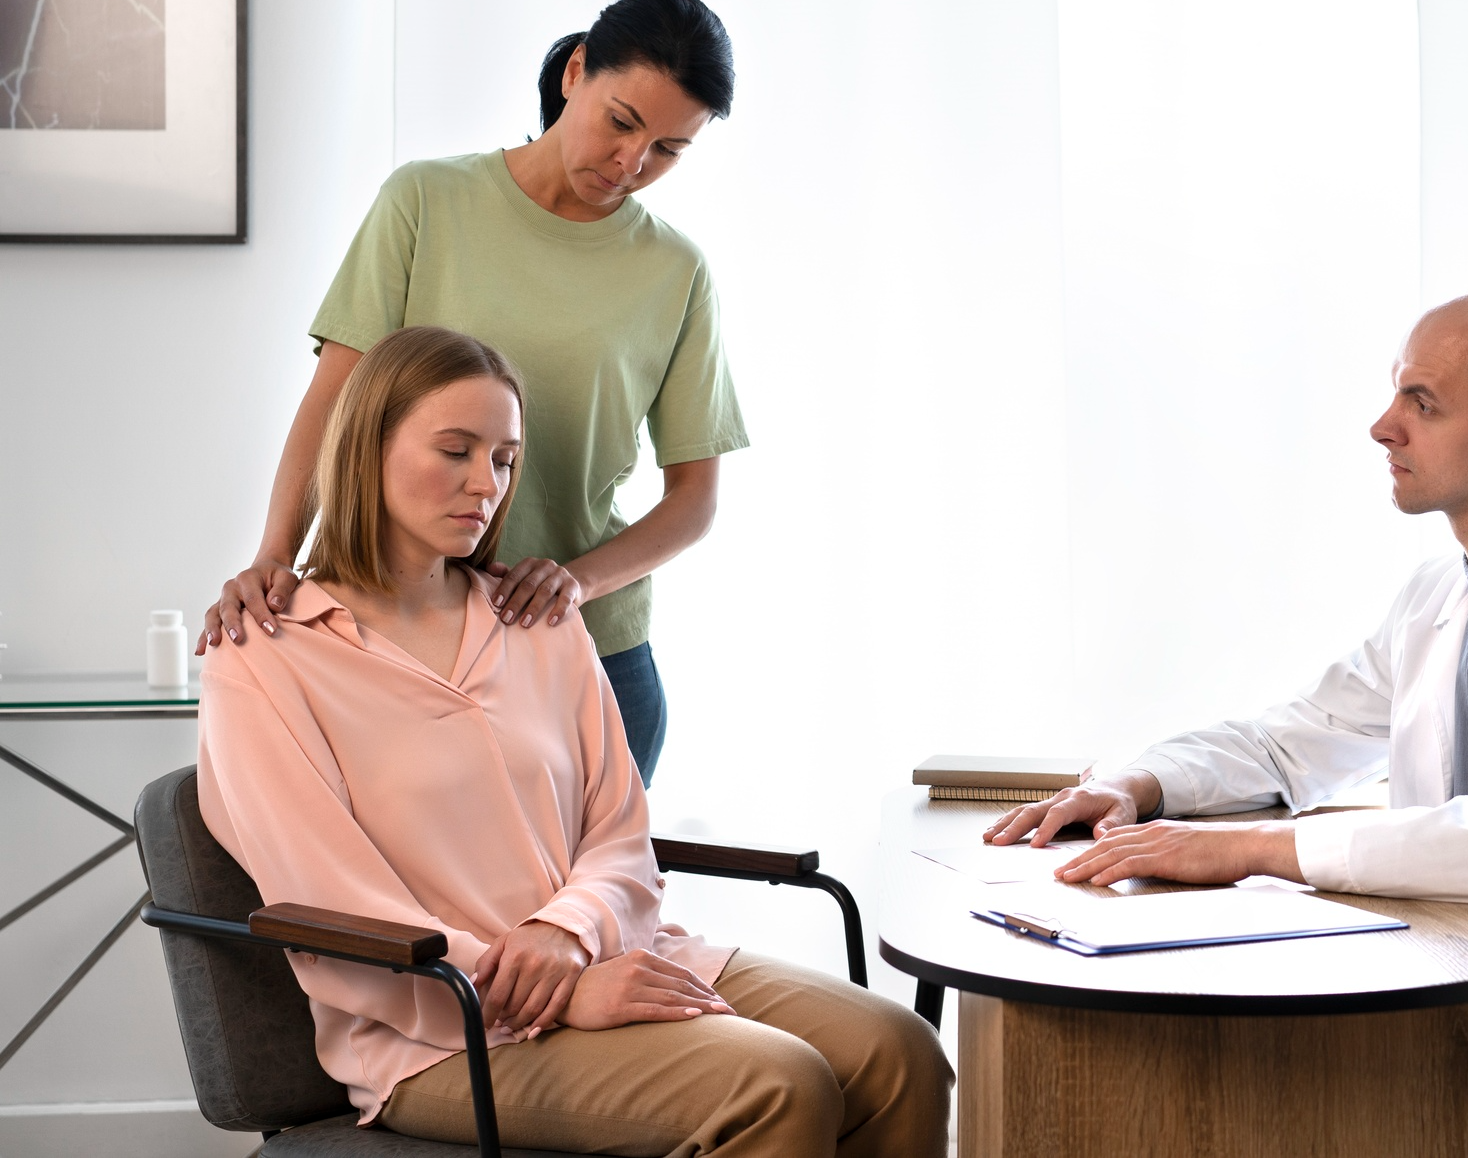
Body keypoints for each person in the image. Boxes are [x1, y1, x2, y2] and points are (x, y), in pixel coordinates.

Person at [986, 290, 1468, 1158]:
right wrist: (1139, 783)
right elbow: (1294, 737)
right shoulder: (1442, 595)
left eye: (1421, 402)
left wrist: (1253, 849)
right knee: (1200, 1087)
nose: (1381, 426)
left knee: (1283, 1117)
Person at [197, 327, 950, 1156]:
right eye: (455, 450)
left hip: (620, 952)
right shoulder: (264, 658)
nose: (485, 484)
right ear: (364, 448)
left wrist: (571, 935)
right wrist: (561, 994)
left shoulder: (539, 620)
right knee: (778, 1084)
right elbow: (329, 899)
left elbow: (618, 832)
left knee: (901, 1054)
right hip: (444, 1031)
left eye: (505, 459)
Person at [200, 0, 750, 784]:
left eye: (668, 150)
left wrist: (575, 580)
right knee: (428, 900)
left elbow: (695, 498)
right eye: (622, 122)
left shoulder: (676, 270)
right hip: (406, 635)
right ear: (576, 73)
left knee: (596, 898)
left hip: (593, 653)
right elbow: (333, 406)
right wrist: (275, 556)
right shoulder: (425, 201)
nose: (632, 163)